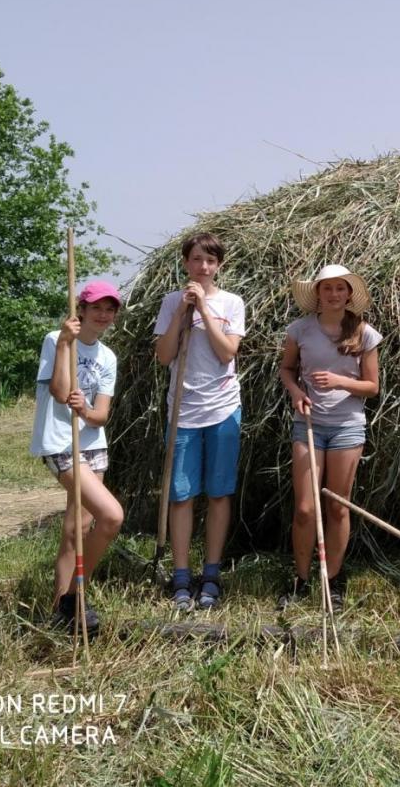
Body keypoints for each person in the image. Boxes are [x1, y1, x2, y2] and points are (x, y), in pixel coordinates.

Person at [278, 263, 382, 611]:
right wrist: (295, 393)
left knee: (338, 506)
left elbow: (372, 387)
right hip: (307, 423)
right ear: (318, 294)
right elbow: (287, 368)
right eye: (327, 288)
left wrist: (340, 381)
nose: (334, 294)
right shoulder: (300, 329)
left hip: (347, 426)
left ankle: (332, 580)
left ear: (349, 293)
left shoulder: (363, 333)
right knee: (306, 508)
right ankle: (301, 577)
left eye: (340, 288)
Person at [153, 232, 246, 611]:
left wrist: (205, 312)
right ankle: (180, 574)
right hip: (183, 410)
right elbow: (163, 356)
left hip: (222, 407)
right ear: (186, 263)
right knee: (181, 494)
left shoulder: (231, 302)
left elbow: (228, 353)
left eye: (210, 261)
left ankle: (211, 572)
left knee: (219, 492)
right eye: (196, 260)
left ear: (218, 265)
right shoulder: (172, 301)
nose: (203, 267)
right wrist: (181, 313)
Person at [30, 280, 125, 634]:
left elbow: (101, 415)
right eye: (97, 307)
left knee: (77, 530)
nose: (103, 315)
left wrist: (84, 410)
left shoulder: (108, 357)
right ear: (80, 310)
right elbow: (57, 390)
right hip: (61, 443)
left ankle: (60, 610)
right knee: (112, 517)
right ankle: (74, 597)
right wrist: (67, 342)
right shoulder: (57, 340)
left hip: (93, 444)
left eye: (110, 309)